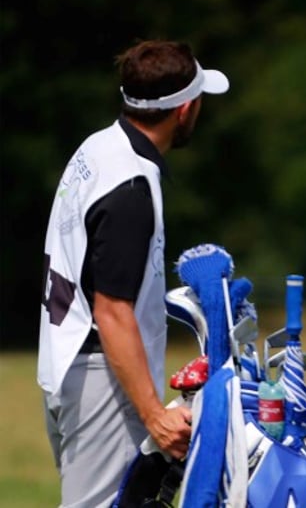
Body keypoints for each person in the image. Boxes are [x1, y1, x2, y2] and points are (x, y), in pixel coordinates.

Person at [37, 39, 229, 507]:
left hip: (69, 365)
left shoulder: (98, 148)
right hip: (103, 376)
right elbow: (112, 310)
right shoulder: (130, 186)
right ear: (184, 110)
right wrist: (153, 414)